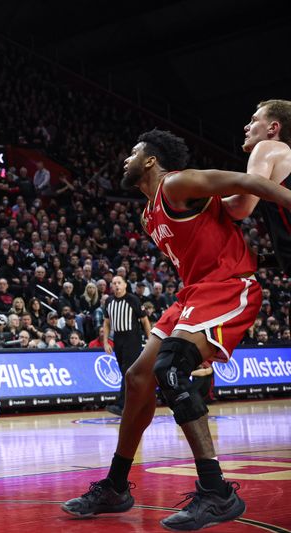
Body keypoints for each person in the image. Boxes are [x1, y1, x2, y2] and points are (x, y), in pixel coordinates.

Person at [62, 129, 291, 530]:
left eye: (132, 153)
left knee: (169, 368)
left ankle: (217, 491)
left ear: (151, 159)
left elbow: (247, 183)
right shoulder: (148, 212)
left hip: (227, 287)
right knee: (138, 377)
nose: (125, 160)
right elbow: (210, 239)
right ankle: (116, 487)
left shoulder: (178, 183)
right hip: (192, 294)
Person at [225, 99, 291, 273]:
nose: (246, 127)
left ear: (273, 128)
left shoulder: (268, 147)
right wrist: (261, 260)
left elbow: (241, 206)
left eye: (253, 120)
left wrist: (197, 203)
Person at [102, 276, 150, 416]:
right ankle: (137, 402)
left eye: (119, 283)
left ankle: (122, 405)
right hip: (118, 338)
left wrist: (150, 339)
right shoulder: (109, 301)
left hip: (132, 338)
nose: (116, 285)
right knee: (125, 373)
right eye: (114, 283)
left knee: (127, 371)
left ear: (125, 285)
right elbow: (106, 323)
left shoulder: (133, 299)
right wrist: (106, 342)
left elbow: (145, 321)